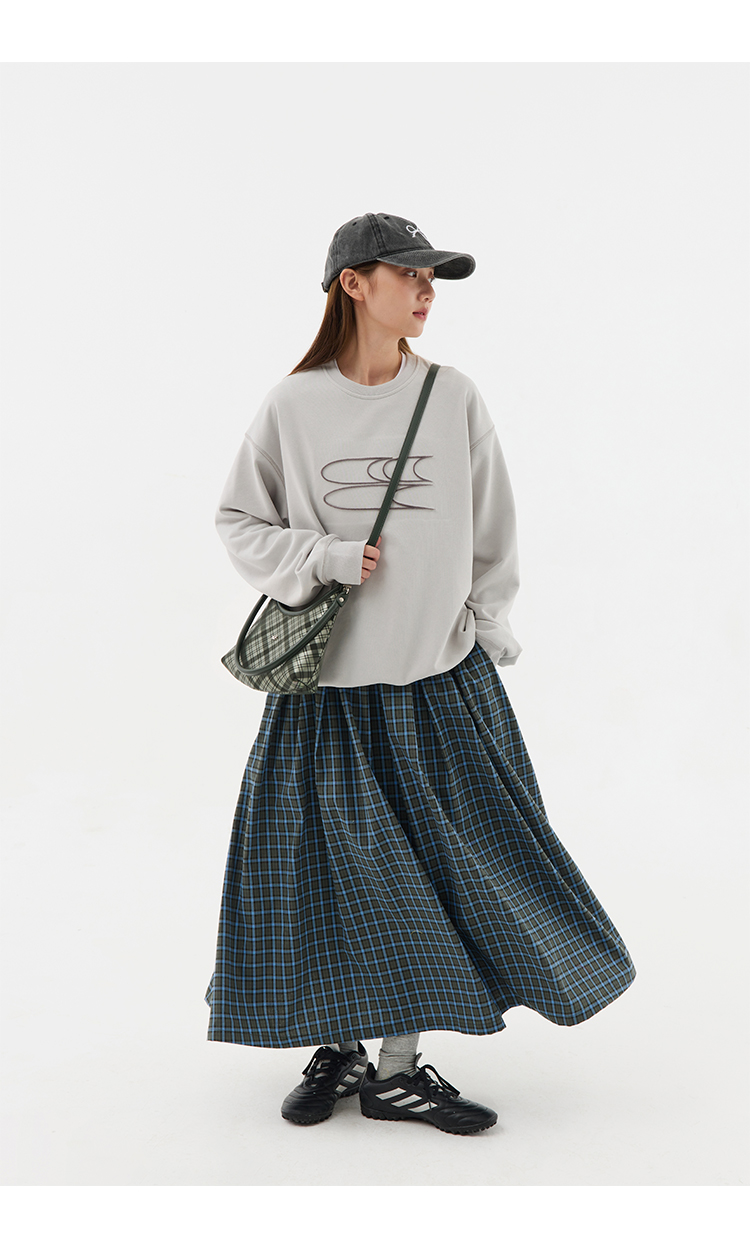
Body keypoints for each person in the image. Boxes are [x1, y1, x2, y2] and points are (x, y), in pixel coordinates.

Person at [204, 212, 637, 1136]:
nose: (427, 291)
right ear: (353, 283)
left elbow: (493, 527)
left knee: (440, 876)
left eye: (433, 277)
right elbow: (239, 521)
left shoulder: (452, 396)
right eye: (410, 274)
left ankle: (397, 1071)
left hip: (439, 684)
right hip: (324, 697)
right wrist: (323, 557)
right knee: (322, 877)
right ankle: (342, 1048)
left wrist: (488, 624)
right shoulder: (292, 406)